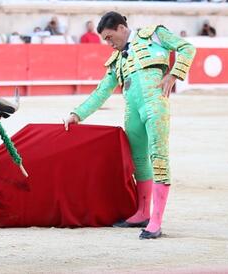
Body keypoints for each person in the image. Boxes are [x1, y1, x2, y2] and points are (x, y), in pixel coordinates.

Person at [64, 11, 196, 240]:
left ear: (121, 28)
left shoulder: (154, 35)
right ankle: (143, 212)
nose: (108, 43)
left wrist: (173, 75)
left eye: (108, 37)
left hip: (155, 106)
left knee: (159, 159)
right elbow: (102, 91)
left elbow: (187, 48)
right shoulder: (117, 59)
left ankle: (155, 221)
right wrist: (77, 114)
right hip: (132, 113)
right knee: (139, 161)